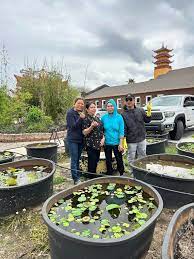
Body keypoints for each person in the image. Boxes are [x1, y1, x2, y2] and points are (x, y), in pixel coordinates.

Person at [122, 94, 152, 163]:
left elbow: (147, 120)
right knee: (131, 158)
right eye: (127, 100)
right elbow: (124, 128)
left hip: (142, 138)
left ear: (134, 101)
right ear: (125, 102)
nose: (129, 101)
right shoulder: (123, 114)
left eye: (130, 99)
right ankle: (133, 172)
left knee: (142, 156)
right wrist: (124, 139)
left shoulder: (140, 110)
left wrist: (149, 112)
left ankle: (142, 170)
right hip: (131, 140)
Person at [101, 99, 125, 175]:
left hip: (116, 143)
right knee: (108, 160)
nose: (110, 108)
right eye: (108, 106)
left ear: (114, 107)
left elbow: (121, 131)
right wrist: (102, 139)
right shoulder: (104, 118)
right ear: (106, 108)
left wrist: (121, 143)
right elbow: (101, 130)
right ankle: (109, 173)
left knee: (119, 159)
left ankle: (121, 173)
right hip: (107, 142)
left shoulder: (119, 117)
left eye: (111, 106)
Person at [66, 97, 85, 185]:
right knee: (74, 159)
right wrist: (81, 118)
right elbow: (73, 126)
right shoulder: (70, 113)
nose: (80, 105)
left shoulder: (80, 113)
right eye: (79, 103)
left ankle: (77, 174)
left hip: (80, 140)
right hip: (72, 140)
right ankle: (75, 179)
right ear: (74, 104)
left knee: (78, 158)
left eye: (82, 104)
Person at [82, 102, 104, 176]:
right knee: (92, 164)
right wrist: (91, 126)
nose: (94, 108)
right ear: (87, 109)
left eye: (94, 107)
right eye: (91, 107)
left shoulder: (97, 118)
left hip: (98, 145)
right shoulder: (86, 119)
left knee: (96, 162)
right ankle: (91, 180)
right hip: (91, 145)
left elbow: (102, 131)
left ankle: (93, 178)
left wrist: (103, 139)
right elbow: (84, 133)